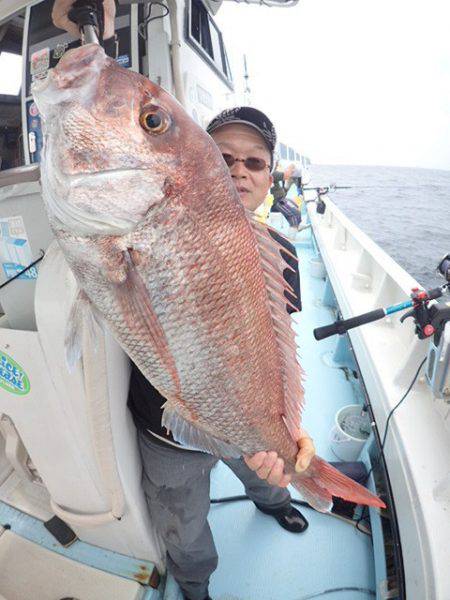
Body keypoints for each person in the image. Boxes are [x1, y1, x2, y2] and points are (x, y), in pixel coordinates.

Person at [51, 4, 315, 600]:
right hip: (166, 428)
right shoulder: (131, 220)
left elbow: (279, 359)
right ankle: (195, 584)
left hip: (246, 415)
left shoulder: (284, 255)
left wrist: (290, 437)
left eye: (255, 162)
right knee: (183, 522)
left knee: (268, 471)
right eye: (223, 158)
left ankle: (278, 497)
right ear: (198, 167)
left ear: (270, 177)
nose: (239, 171)